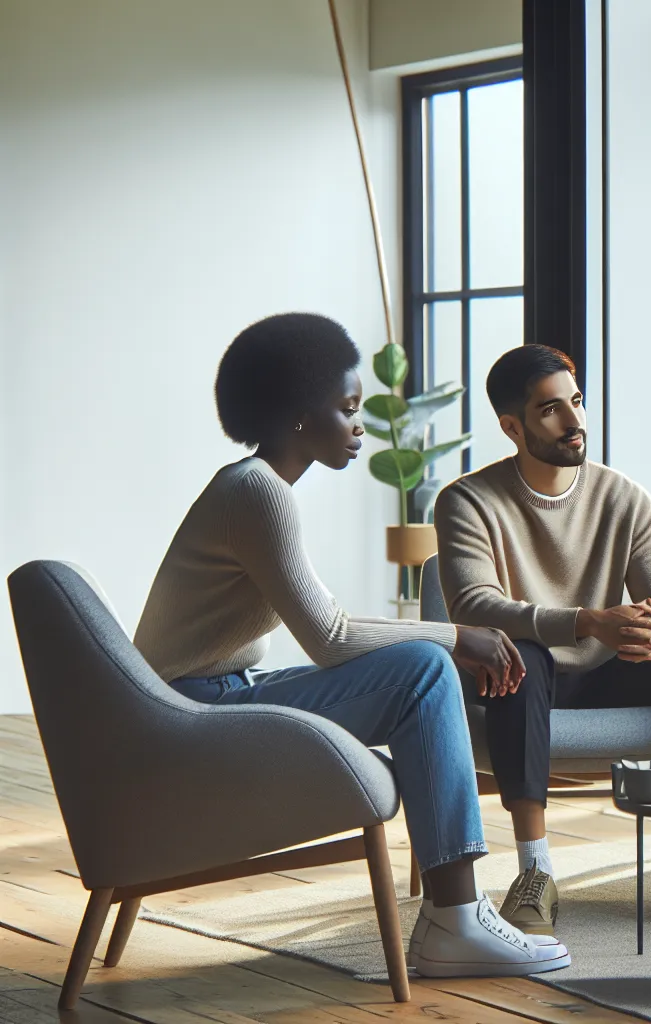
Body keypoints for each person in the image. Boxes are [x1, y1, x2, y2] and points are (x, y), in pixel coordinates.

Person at [134, 313, 570, 978]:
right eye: (347, 408)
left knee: (420, 668)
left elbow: (329, 629)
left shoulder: (250, 487)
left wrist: (451, 639)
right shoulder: (258, 493)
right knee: (423, 670)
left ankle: (456, 916)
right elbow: (330, 638)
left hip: (201, 701)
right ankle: (456, 919)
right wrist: (459, 634)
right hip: (192, 716)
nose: (360, 424)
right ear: (299, 417)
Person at [433, 345, 651, 934]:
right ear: (512, 426)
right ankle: (535, 871)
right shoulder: (467, 502)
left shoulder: (624, 498)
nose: (574, 421)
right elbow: (474, 605)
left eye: (576, 402)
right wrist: (588, 621)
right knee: (520, 653)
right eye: (550, 410)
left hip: (611, 669)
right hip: (527, 679)